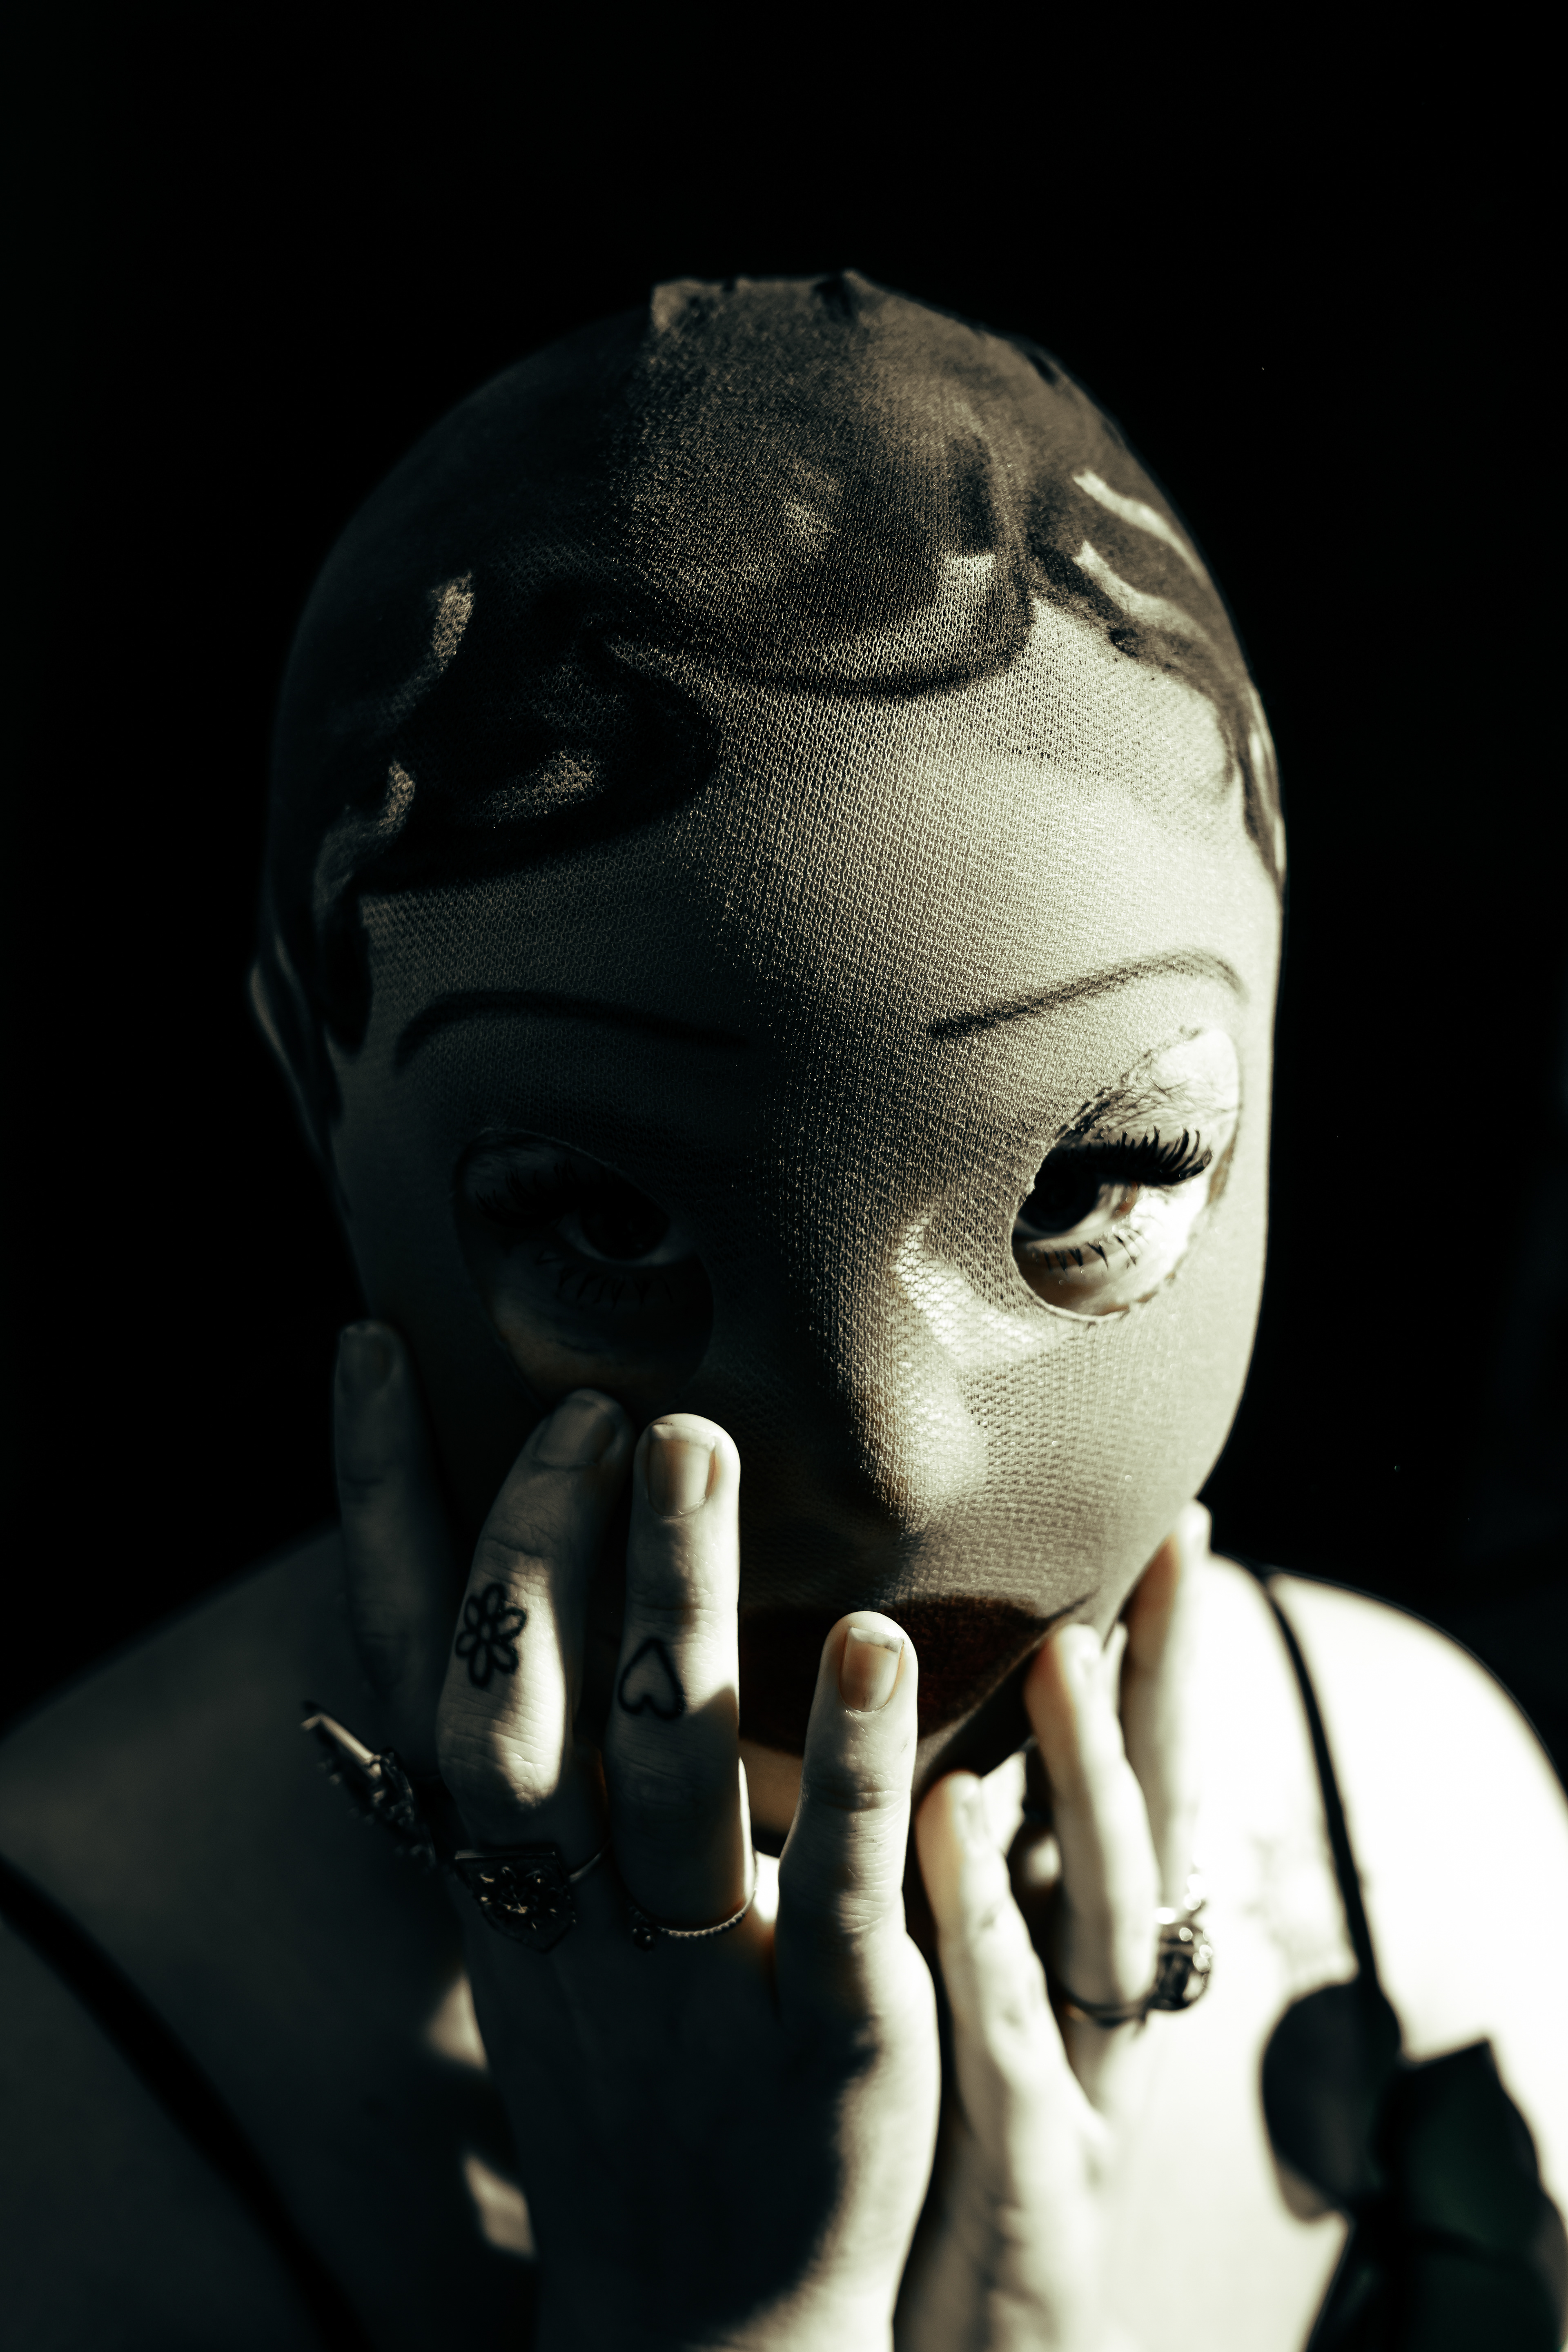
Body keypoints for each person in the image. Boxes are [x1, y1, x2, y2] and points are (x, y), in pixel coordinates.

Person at [2, 272, 1565, 2352]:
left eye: (1092, 1186)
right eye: (600, 1217)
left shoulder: (1441, 1823)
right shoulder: (49, 2086)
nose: (892, 1458)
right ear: (312, 1093)